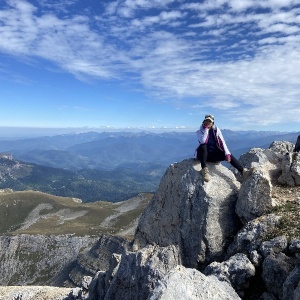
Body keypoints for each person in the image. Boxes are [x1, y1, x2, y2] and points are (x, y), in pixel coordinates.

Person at [195, 114, 252, 182]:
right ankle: (204, 170)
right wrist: (206, 129)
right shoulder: (199, 132)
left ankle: (243, 171)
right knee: (203, 146)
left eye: (209, 121)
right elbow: (203, 141)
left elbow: (222, 142)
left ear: (212, 123)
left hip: (213, 156)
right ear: (203, 122)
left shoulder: (216, 130)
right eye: (206, 121)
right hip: (202, 155)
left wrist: (227, 154)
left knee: (229, 154)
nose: (207, 122)